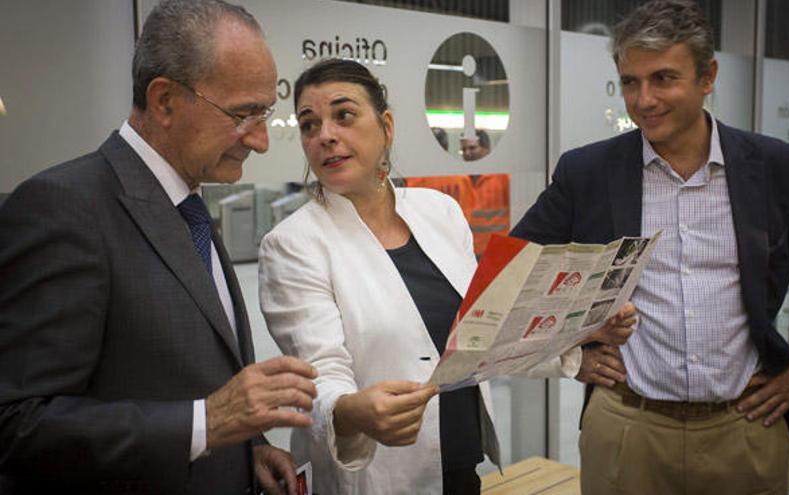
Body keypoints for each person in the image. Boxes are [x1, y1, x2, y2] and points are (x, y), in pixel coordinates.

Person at [510, 1, 789, 494]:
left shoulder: (776, 168)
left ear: (708, 77)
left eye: (664, 78)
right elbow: (514, 273)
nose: (644, 100)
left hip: (744, 426)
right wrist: (573, 348)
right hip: (626, 427)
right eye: (630, 82)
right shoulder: (588, 172)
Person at [258, 58, 636, 495]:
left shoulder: (438, 211)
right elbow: (320, 371)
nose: (325, 135)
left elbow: (484, 331)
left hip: (460, 462)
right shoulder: (293, 243)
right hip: (380, 475)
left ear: (386, 126)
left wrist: (579, 339)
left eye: (344, 115)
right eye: (309, 125)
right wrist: (349, 411)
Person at [0, 1, 318, 494]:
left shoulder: (188, 202)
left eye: (264, 114)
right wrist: (205, 424)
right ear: (165, 100)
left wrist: (247, 446)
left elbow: (193, 372)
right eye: (242, 114)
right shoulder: (65, 207)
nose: (261, 142)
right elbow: (18, 424)